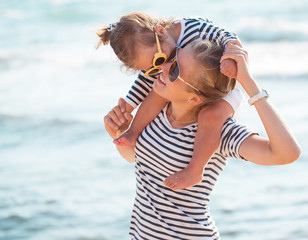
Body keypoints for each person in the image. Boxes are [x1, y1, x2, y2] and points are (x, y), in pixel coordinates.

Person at [104, 40, 301, 239]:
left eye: (174, 71)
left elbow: (287, 153)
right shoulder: (156, 111)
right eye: (172, 59)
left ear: (195, 98)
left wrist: (249, 84)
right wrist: (119, 134)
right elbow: (136, 159)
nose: (162, 67)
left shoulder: (216, 132)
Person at [97, 12, 246, 190]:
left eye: (159, 60)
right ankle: (133, 133)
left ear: (160, 32)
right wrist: (125, 109)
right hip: (193, 86)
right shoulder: (161, 55)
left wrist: (229, 57)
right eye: (152, 69)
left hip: (230, 80)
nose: (161, 67)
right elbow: (144, 84)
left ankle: (195, 170)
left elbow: (228, 36)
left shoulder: (193, 29)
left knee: (211, 114)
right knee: (158, 89)